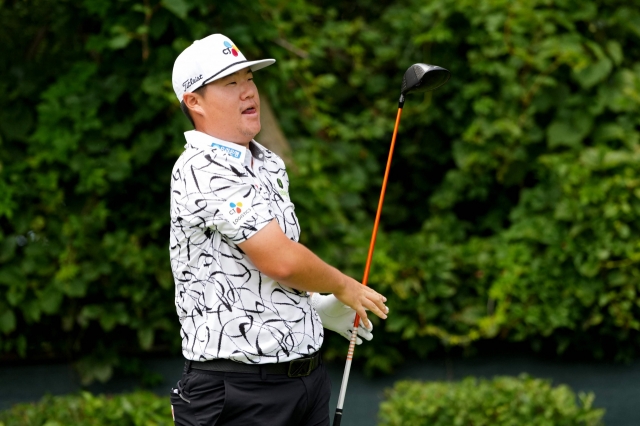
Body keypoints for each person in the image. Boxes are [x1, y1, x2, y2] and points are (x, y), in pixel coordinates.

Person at [168, 33, 389, 426]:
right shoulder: (201, 168)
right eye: (230, 83)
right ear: (194, 101)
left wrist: (309, 309)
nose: (247, 91)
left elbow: (258, 269)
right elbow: (280, 260)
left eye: (249, 78)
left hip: (305, 380)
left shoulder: (267, 162)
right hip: (235, 392)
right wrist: (340, 285)